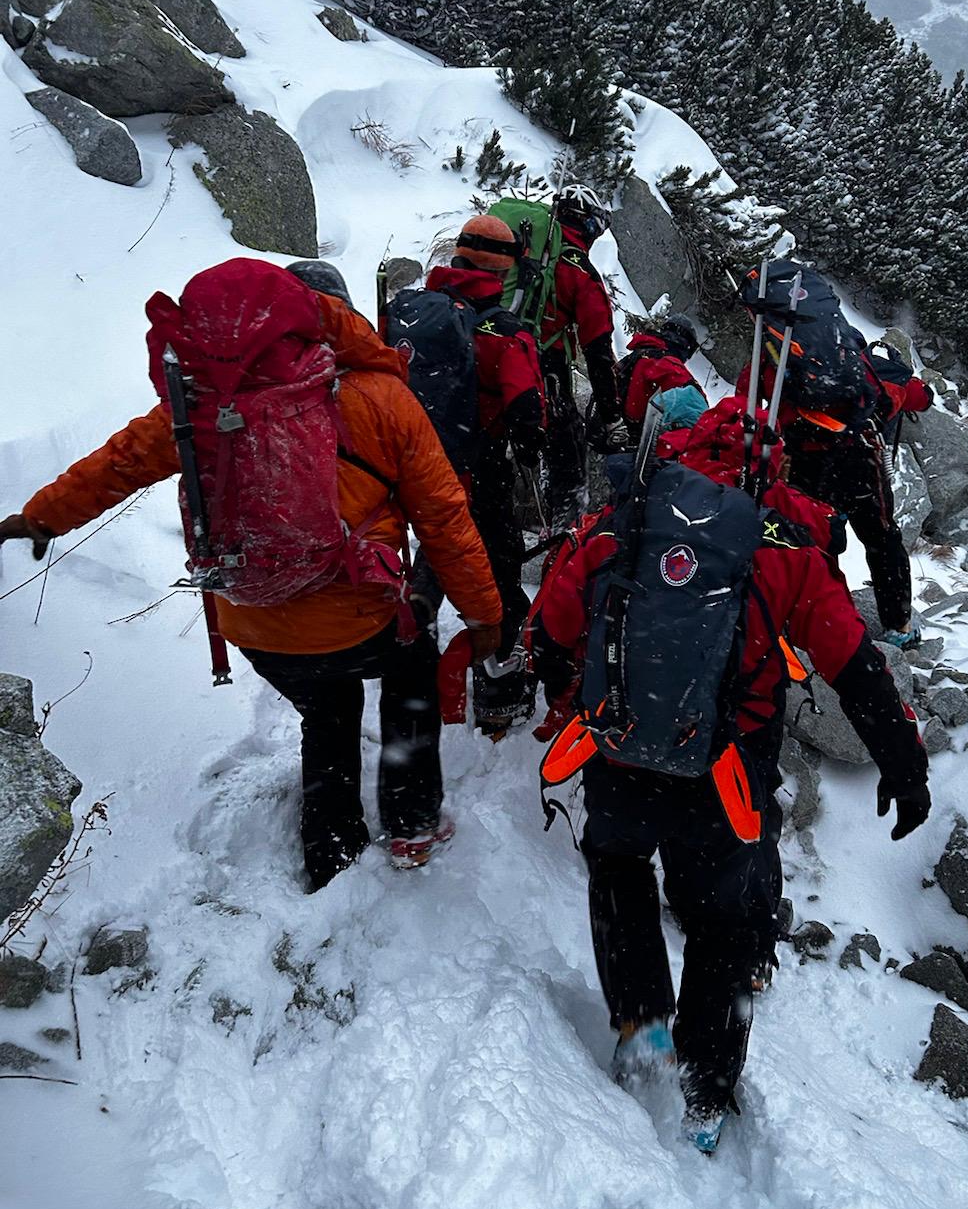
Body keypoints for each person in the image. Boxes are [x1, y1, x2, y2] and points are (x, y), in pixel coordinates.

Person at [0, 259, 503, 891]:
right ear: (334, 319)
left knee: (328, 712)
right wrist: (484, 614)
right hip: (359, 617)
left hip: (254, 620)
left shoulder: (202, 402)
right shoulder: (382, 399)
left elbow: (118, 463)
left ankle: (331, 850)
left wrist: (41, 517)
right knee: (408, 677)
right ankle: (412, 822)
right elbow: (446, 520)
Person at [529, 399, 929, 1153]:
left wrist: (571, 696)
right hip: (725, 773)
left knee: (617, 867)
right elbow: (856, 666)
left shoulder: (628, 516)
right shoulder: (779, 542)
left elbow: (552, 628)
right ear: (769, 465)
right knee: (721, 920)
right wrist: (904, 765)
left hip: (617, 750)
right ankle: (706, 1095)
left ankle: (641, 1025)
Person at [413, 215, 547, 736]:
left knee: (437, 546)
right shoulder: (505, 331)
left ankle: (415, 640)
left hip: (418, 466)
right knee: (498, 575)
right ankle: (497, 693)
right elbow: (528, 414)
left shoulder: (420, 312)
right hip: (479, 468)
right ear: (504, 266)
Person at [780, 341, 933, 649]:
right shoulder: (881, 374)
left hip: (806, 462)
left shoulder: (798, 365)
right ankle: (898, 625)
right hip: (862, 463)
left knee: (816, 538)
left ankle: (815, 618)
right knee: (882, 540)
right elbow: (923, 398)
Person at [539, 183, 623, 524]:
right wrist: (612, 414)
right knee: (569, 455)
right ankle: (563, 539)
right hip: (546, 370)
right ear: (588, 225)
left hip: (490, 359)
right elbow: (598, 350)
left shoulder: (525, 253)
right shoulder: (578, 271)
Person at [617, 315, 706, 440]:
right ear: (685, 345)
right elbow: (700, 410)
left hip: (611, 434)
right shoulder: (668, 365)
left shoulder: (639, 355)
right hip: (635, 444)